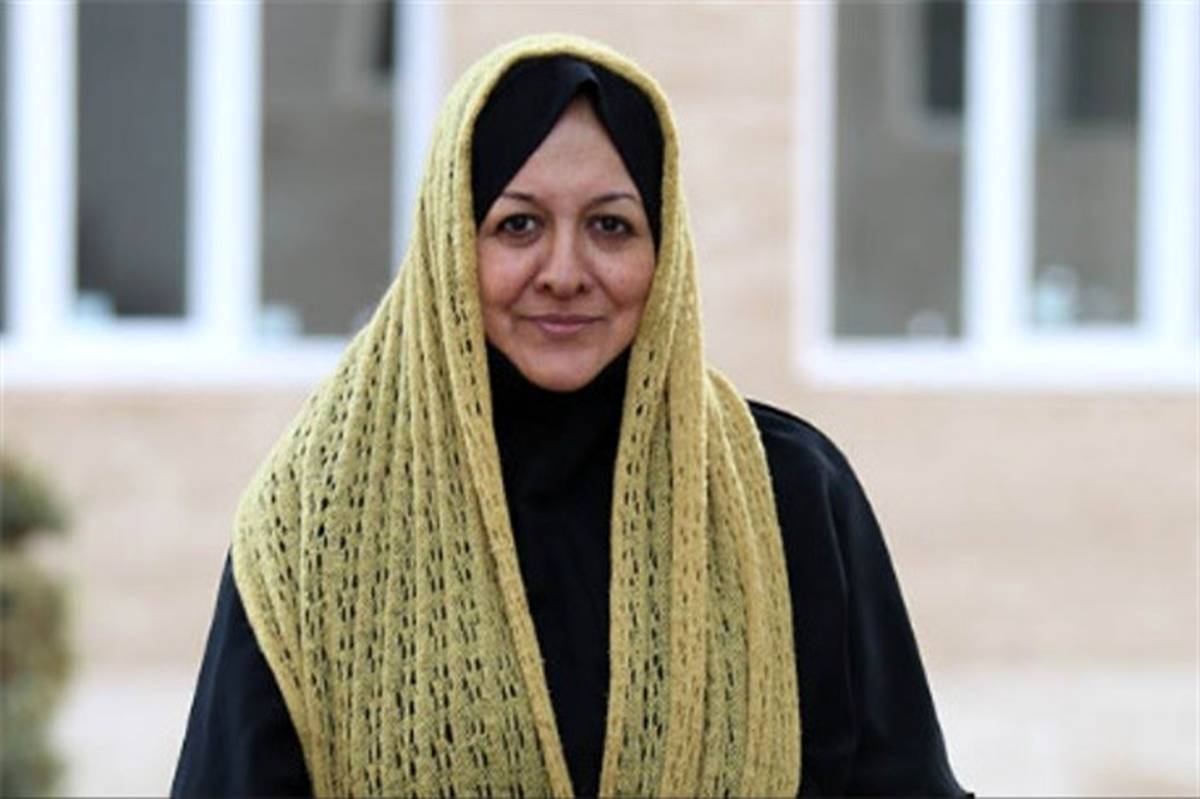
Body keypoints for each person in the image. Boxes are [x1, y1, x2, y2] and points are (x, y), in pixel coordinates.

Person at [172, 34, 967, 798]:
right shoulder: (315, 521)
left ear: (664, 251)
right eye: (517, 225)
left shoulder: (787, 493)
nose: (563, 272)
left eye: (610, 226)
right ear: (451, 244)